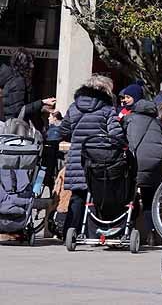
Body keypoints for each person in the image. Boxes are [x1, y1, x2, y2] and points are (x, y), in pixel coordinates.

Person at [56, 74, 124, 235]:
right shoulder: (107, 109)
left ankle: (70, 231)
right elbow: (116, 135)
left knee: (77, 196)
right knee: (99, 195)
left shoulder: (74, 107)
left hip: (77, 159)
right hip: (99, 159)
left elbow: (63, 131)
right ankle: (93, 232)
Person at [122, 95, 162, 244]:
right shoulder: (156, 123)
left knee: (129, 197)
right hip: (153, 166)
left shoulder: (130, 119)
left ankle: (127, 229)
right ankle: (151, 234)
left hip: (134, 163)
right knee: (150, 200)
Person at [0, 49, 55, 123]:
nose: (32, 66)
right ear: (23, 64)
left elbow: (18, 107)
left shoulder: (14, 80)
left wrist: (42, 107)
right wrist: (42, 102)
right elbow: (19, 111)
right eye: (30, 62)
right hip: (16, 129)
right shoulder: (18, 82)